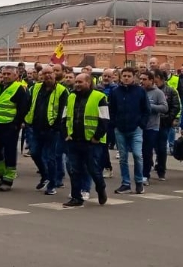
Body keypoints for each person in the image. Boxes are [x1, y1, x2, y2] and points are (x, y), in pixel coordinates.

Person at [62, 73, 110, 208]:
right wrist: (65, 134)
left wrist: (97, 137)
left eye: (80, 82)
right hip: (74, 140)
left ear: (89, 83)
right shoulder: (71, 96)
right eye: (76, 82)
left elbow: (104, 120)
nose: (77, 84)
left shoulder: (99, 97)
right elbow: (64, 117)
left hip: (91, 141)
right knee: (74, 170)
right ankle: (76, 197)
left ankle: (101, 188)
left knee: (93, 169)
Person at [24, 68, 69, 196]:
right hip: (36, 127)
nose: (48, 76)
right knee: (34, 153)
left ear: (55, 75)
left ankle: (52, 184)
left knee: (51, 157)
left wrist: (57, 126)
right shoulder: (35, 88)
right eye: (45, 73)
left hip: (52, 130)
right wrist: (26, 120)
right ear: (41, 76)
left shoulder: (62, 90)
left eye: (50, 73)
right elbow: (28, 104)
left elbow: (63, 111)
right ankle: (45, 176)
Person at [108, 66, 150, 195]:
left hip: (136, 129)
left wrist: (141, 124)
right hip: (120, 129)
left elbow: (146, 110)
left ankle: (138, 182)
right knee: (123, 158)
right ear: (121, 77)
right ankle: (125, 183)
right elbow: (112, 109)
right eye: (124, 76)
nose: (126, 78)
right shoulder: (115, 92)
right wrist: (114, 124)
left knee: (138, 155)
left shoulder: (140, 91)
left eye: (129, 76)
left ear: (133, 78)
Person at [0, 66, 30, 191]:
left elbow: (23, 108)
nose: (5, 76)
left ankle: (8, 180)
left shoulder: (19, 89)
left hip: (10, 125)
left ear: (16, 76)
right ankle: (2, 174)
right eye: (4, 73)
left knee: (9, 152)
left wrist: (17, 123)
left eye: (8, 74)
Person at [140, 71, 168, 189]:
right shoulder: (138, 91)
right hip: (138, 126)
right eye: (140, 79)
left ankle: (145, 175)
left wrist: (149, 106)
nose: (142, 81)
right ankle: (140, 172)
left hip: (152, 127)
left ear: (151, 80)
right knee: (139, 153)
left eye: (145, 79)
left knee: (147, 151)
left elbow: (164, 108)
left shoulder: (158, 93)